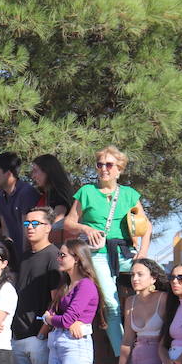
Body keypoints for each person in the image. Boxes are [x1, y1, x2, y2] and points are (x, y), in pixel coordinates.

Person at [64, 146, 152, 352]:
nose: (104, 168)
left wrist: (143, 254)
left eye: (109, 164)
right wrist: (86, 228)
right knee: (112, 306)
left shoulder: (129, 194)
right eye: (100, 164)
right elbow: (69, 223)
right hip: (98, 254)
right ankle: (122, 355)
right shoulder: (86, 192)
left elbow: (146, 227)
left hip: (126, 253)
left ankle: (152, 342)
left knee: (158, 284)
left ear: (119, 169)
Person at [84, 258, 168, 364]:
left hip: (154, 360)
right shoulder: (130, 301)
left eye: (140, 274)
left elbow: (167, 336)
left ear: (153, 278)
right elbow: (128, 339)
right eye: (132, 275)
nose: (134, 278)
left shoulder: (164, 299)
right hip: (133, 360)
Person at [42, 239, 101, 364]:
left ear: (77, 258)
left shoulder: (86, 285)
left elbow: (64, 319)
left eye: (62, 255)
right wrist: (54, 318)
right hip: (57, 344)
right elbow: (56, 314)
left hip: (74, 346)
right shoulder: (66, 285)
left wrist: (50, 320)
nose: (58, 258)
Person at [10, 208, 60, 364]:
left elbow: (56, 300)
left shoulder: (54, 256)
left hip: (39, 336)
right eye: (26, 223)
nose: (29, 227)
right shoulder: (22, 257)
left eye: (35, 223)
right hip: (17, 335)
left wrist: (42, 332)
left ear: (48, 227)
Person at [0, 153, 41, 260]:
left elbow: (27, 229)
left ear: (8, 174)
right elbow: (5, 229)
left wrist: (23, 261)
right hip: (13, 257)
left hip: (30, 256)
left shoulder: (26, 193)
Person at [29, 154, 76, 227]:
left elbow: (57, 221)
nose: (33, 176)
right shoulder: (47, 193)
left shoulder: (58, 193)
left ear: (47, 171)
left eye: (35, 171)